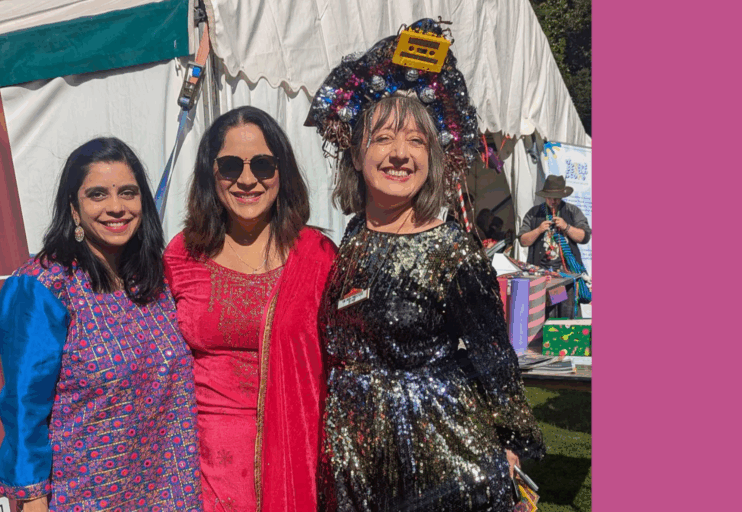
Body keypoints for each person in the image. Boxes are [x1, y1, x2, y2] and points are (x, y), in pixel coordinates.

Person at [307, 19, 545, 511]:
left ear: (433, 156)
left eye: (416, 141)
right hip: (355, 448)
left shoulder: (451, 249)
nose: (400, 154)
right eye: (384, 138)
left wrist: (512, 447)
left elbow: (494, 357)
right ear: (355, 152)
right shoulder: (352, 237)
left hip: (437, 450)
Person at [0, 137, 202, 512]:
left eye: (128, 192)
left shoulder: (152, 280)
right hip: (86, 499)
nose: (116, 207)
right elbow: (24, 412)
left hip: (170, 493)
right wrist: (32, 502)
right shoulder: (45, 289)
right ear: (73, 209)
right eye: (97, 195)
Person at [163, 106, 337, 511]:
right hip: (203, 467)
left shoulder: (317, 256)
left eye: (262, 164)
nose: (246, 179)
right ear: (211, 172)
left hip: (297, 453)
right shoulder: (183, 255)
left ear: (282, 171)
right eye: (229, 166)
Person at [518, 175, 591, 318]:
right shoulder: (534, 214)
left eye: (556, 197)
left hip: (566, 275)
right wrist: (538, 230)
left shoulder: (572, 211)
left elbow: (584, 237)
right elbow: (523, 240)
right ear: (545, 196)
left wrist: (567, 227)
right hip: (542, 274)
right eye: (550, 197)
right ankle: (546, 338)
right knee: (545, 312)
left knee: (565, 313)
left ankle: (565, 338)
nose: (553, 201)